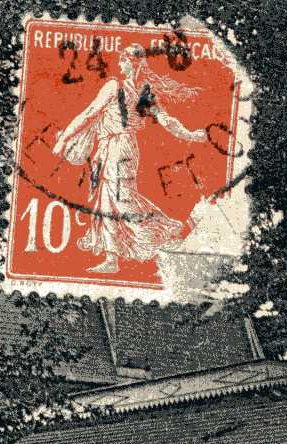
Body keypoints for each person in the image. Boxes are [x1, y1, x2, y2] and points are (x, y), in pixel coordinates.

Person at [51, 44, 209, 275]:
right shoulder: (145, 91)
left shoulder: (116, 86)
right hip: (116, 148)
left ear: (132, 62)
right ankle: (112, 257)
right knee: (107, 201)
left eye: (123, 61)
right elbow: (168, 122)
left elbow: (89, 113)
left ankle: (165, 232)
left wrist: (64, 138)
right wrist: (190, 135)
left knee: (121, 201)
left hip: (118, 146)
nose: (120, 64)